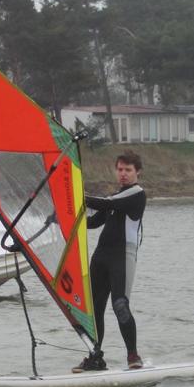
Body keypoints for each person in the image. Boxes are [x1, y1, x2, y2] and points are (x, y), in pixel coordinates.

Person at [73, 150, 146, 372]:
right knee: (94, 310)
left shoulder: (136, 194)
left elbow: (104, 204)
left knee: (120, 305)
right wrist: (65, 218)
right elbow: (94, 222)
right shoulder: (115, 198)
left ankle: (133, 356)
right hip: (101, 255)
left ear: (138, 172)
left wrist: (73, 193)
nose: (123, 173)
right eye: (120, 169)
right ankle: (95, 358)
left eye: (128, 170)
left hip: (122, 256)